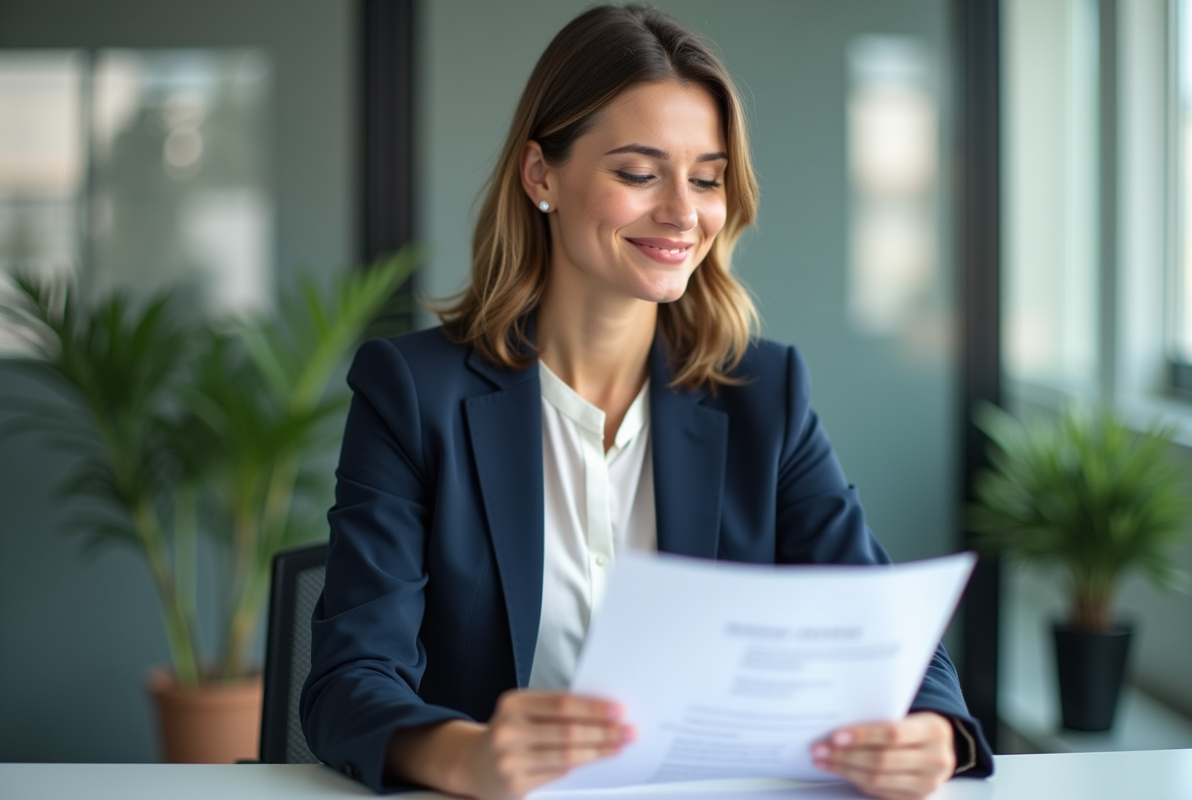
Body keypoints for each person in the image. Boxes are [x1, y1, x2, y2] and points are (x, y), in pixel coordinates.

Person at [300, 5, 994, 799]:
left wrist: (932, 733)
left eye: (706, 178)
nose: (682, 212)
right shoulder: (413, 393)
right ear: (541, 176)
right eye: (638, 173)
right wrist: (468, 755)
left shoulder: (763, 395)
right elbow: (346, 682)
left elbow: (888, 634)